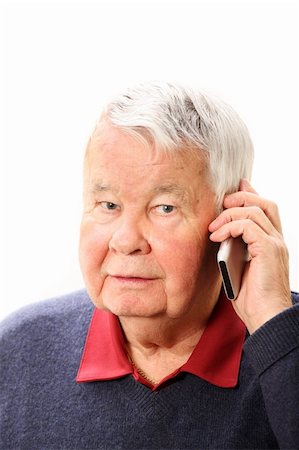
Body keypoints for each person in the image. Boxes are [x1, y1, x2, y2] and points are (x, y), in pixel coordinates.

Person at [1, 81, 298, 450]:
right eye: (108, 205)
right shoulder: (18, 350)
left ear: (232, 219)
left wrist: (275, 326)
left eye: (164, 208)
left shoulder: (288, 348)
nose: (125, 240)